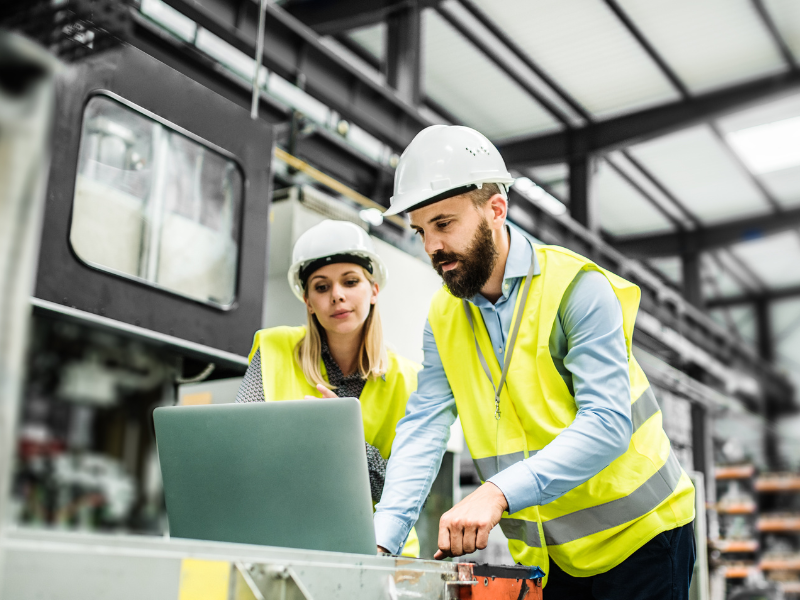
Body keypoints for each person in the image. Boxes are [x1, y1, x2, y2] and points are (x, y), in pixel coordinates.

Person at [374, 125, 696, 598]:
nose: (431, 248)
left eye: (444, 224)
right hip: (554, 557)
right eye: (421, 230)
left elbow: (607, 422)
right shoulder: (443, 318)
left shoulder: (577, 289)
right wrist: (383, 542)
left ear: (496, 210)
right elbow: (424, 427)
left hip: (644, 538)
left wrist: (497, 493)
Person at [235, 219, 420, 557]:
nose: (337, 295)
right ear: (308, 301)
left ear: (373, 289)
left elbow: (401, 489)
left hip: (380, 550)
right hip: (287, 542)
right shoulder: (274, 349)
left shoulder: (409, 379)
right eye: (321, 287)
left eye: (350, 282)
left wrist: (342, 437)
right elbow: (240, 450)